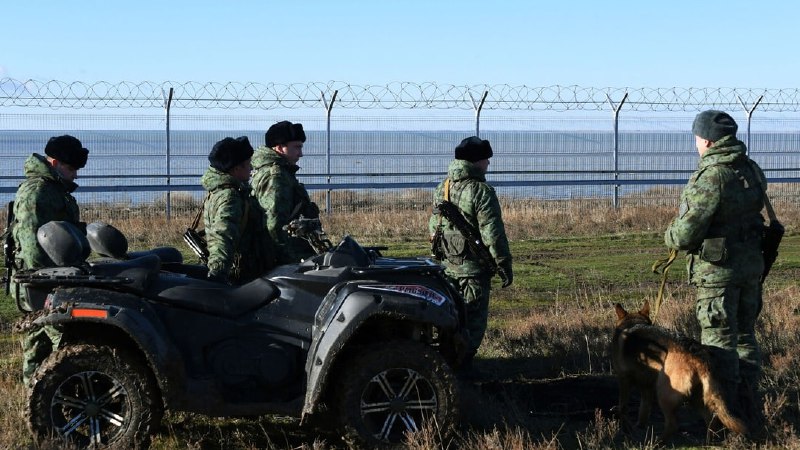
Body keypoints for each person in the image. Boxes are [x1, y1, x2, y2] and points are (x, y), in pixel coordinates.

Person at [664, 110, 767, 426]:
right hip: (751, 268)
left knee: (720, 345)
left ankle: (727, 419)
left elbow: (684, 235)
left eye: (696, 138)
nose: (696, 144)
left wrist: (669, 233)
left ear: (706, 140)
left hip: (718, 274)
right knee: (745, 339)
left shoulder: (712, 176)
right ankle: (752, 409)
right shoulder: (749, 169)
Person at [429, 136, 513, 371]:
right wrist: (504, 264)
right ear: (476, 161)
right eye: (486, 159)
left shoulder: (442, 187)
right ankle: (462, 372)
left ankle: (447, 366)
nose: (488, 164)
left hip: (447, 268)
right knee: (473, 325)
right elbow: (492, 233)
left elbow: (434, 227)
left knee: (450, 321)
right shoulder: (481, 191)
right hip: (473, 270)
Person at [11, 135, 89, 384]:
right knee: (52, 341)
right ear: (54, 163)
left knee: (43, 341)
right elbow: (32, 246)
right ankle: (42, 397)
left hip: (53, 277)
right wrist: (47, 283)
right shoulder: (38, 192)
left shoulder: (53, 190)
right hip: (41, 281)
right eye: (70, 168)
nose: (75, 175)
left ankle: (45, 396)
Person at [202, 136, 276, 284]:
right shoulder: (230, 197)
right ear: (236, 169)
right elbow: (224, 234)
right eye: (248, 164)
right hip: (242, 277)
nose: (251, 168)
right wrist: (218, 272)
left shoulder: (220, 191)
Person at [251, 120, 320, 263]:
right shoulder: (276, 177)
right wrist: (288, 260)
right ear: (280, 147)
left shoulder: (280, 173)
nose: (301, 154)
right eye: (297, 147)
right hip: (285, 258)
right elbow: (274, 224)